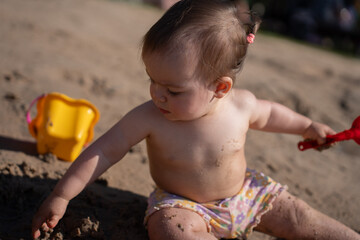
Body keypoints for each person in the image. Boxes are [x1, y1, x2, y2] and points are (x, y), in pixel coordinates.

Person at [32, 0, 360, 239]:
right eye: (152, 79)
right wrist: (62, 194)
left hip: (245, 194)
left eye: (173, 90)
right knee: (169, 230)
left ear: (220, 87)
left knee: (301, 217)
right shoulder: (149, 118)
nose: (157, 94)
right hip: (182, 204)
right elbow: (104, 150)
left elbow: (272, 113)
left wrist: (306, 127)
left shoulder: (241, 106)